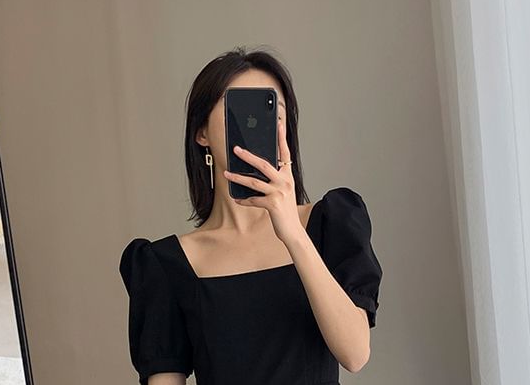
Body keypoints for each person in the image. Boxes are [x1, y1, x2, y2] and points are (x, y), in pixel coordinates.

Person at [119, 46, 383, 384]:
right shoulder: (166, 264)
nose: (255, 124)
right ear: (202, 133)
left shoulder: (330, 222)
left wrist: (292, 233)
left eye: (273, 113)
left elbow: (355, 353)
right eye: (238, 110)